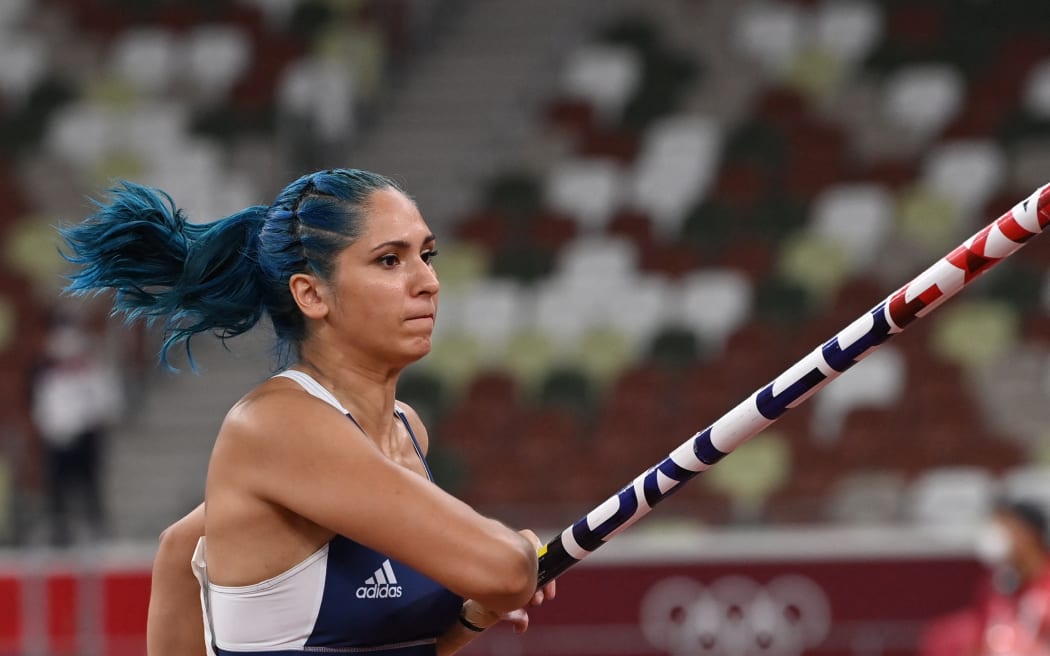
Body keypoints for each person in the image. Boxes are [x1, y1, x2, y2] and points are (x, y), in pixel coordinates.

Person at [60, 169, 556, 656]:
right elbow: (507, 569)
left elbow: (179, 548)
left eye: (427, 255)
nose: (427, 281)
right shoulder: (277, 427)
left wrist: (471, 615)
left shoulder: (407, 433)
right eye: (389, 260)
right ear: (311, 294)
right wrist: (514, 558)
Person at [29, 313, 122, 546]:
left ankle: (96, 526)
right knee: (57, 489)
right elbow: (44, 413)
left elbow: (110, 406)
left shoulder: (95, 376)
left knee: (90, 485)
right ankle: (60, 530)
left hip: (86, 439)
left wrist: (84, 420)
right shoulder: (50, 380)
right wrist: (59, 432)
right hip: (58, 443)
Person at [920, 500, 1050, 655]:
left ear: (1028, 534)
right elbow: (981, 636)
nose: (997, 536)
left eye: (1005, 528)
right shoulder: (995, 585)